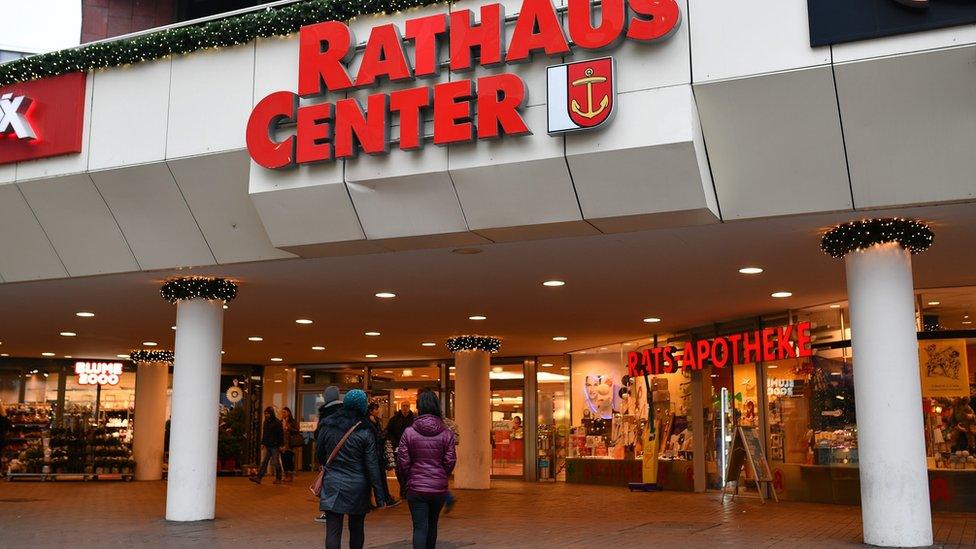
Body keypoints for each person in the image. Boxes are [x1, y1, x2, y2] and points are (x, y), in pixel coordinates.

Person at [317, 389, 386, 549]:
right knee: (356, 529)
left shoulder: (328, 423)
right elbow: (372, 464)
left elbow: (320, 454)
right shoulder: (366, 429)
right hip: (358, 486)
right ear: (363, 407)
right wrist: (380, 495)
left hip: (332, 484)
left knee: (333, 531)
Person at [396, 390, 456, 549]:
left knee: (419, 527)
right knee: (432, 525)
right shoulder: (446, 433)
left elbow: (402, 462)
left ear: (419, 407)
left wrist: (409, 478)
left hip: (416, 487)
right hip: (438, 489)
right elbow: (450, 461)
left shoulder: (409, 432)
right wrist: (441, 475)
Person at [315, 386, 343, 523]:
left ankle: (328, 513)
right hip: (344, 451)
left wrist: (320, 459)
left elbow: (319, 436)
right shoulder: (346, 411)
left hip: (329, 453)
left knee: (328, 483)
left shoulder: (325, 412)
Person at [367, 402, 398, 507]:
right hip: (376, 454)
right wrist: (384, 434)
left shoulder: (375, 421)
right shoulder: (371, 423)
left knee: (379, 478)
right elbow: (376, 437)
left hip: (377, 453)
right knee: (378, 478)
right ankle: (383, 500)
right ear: (370, 411)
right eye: (376, 409)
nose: (378, 411)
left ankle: (382, 499)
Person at [386, 401, 415, 498]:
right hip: (397, 448)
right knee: (399, 470)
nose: (405, 407)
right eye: (403, 406)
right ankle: (403, 487)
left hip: (411, 448)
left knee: (409, 469)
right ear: (400, 407)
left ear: (409, 407)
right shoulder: (394, 420)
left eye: (407, 406)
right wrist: (394, 442)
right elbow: (388, 431)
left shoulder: (414, 419)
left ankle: (406, 489)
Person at [250, 406, 284, 484]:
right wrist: (262, 443)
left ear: (271, 413)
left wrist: (281, 445)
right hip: (267, 445)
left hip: (275, 446)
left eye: (267, 413)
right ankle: (258, 478)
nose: (266, 415)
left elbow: (280, 434)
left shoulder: (277, 422)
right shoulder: (265, 422)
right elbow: (264, 434)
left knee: (275, 462)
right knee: (264, 462)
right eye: (265, 413)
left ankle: (278, 478)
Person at [442, 416, 460, 514]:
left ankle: (449, 498)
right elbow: (456, 441)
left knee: (436, 482)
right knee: (439, 481)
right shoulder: (451, 423)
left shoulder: (436, 423)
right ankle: (448, 498)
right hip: (447, 456)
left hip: (438, 456)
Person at [280, 406, 300, 482]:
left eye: (284, 412)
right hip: (282, 444)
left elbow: (297, 431)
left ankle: (290, 476)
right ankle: (285, 475)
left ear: (288, 413)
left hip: (290, 444)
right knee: (283, 460)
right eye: (282, 412)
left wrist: (288, 428)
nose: (283, 414)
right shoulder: (281, 421)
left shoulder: (293, 422)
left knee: (289, 460)